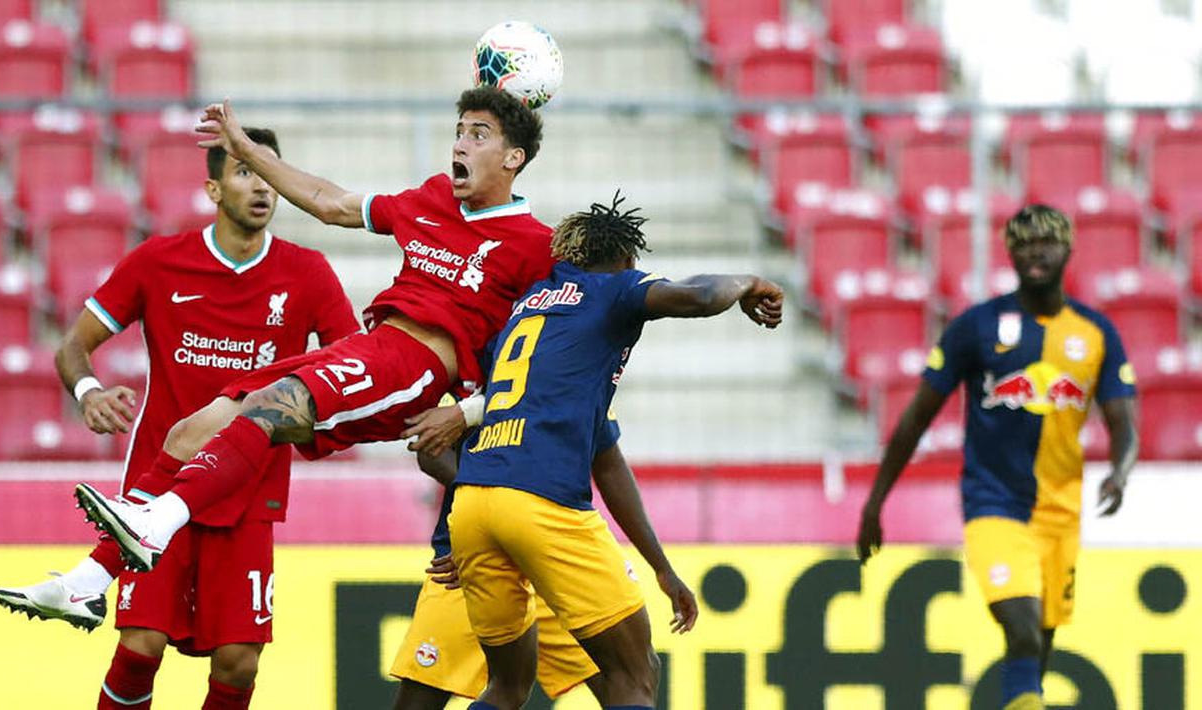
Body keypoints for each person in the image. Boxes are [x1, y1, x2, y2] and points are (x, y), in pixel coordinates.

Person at [69, 86, 558, 575]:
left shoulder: (535, 246)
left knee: (267, 406)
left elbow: (547, 360)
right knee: (194, 427)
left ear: (513, 157)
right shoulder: (433, 198)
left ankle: (155, 524)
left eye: (478, 135)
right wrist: (247, 151)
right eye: (458, 132)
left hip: (417, 368)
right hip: (371, 348)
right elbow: (331, 202)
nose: (459, 145)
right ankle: (89, 580)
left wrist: (468, 413)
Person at [0, 127, 360, 709]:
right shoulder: (160, 261)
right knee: (142, 644)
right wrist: (89, 392)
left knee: (239, 663)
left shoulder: (307, 273)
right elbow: (72, 347)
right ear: (213, 188)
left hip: (248, 488)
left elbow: (353, 363)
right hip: (157, 483)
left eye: (269, 174)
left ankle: (81, 583)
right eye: (245, 173)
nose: (261, 187)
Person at [445, 194, 783, 710]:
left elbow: (606, 459)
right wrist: (749, 283)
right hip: (542, 500)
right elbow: (697, 296)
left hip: (471, 503)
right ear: (627, 260)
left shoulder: (529, 309)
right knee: (634, 674)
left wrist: (661, 567)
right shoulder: (612, 290)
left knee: (507, 686)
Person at [855, 204, 1139, 710]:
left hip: (1061, 513)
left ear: (1069, 250)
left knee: (1037, 650)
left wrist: (1120, 471)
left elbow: (1123, 422)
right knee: (1024, 633)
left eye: (1046, 242)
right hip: (994, 506)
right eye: (1023, 243)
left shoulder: (1096, 333)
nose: (1035, 252)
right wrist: (875, 503)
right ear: (1009, 252)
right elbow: (915, 419)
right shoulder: (976, 327)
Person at [391, 406, 606, 708]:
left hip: (549, 551)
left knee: (625, 674)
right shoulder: (482, 370)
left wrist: (661, 566)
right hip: (471, 561)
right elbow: (430, 450)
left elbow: (609, 460)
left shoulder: (574, 375)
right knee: (434, 697)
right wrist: (483, 522)